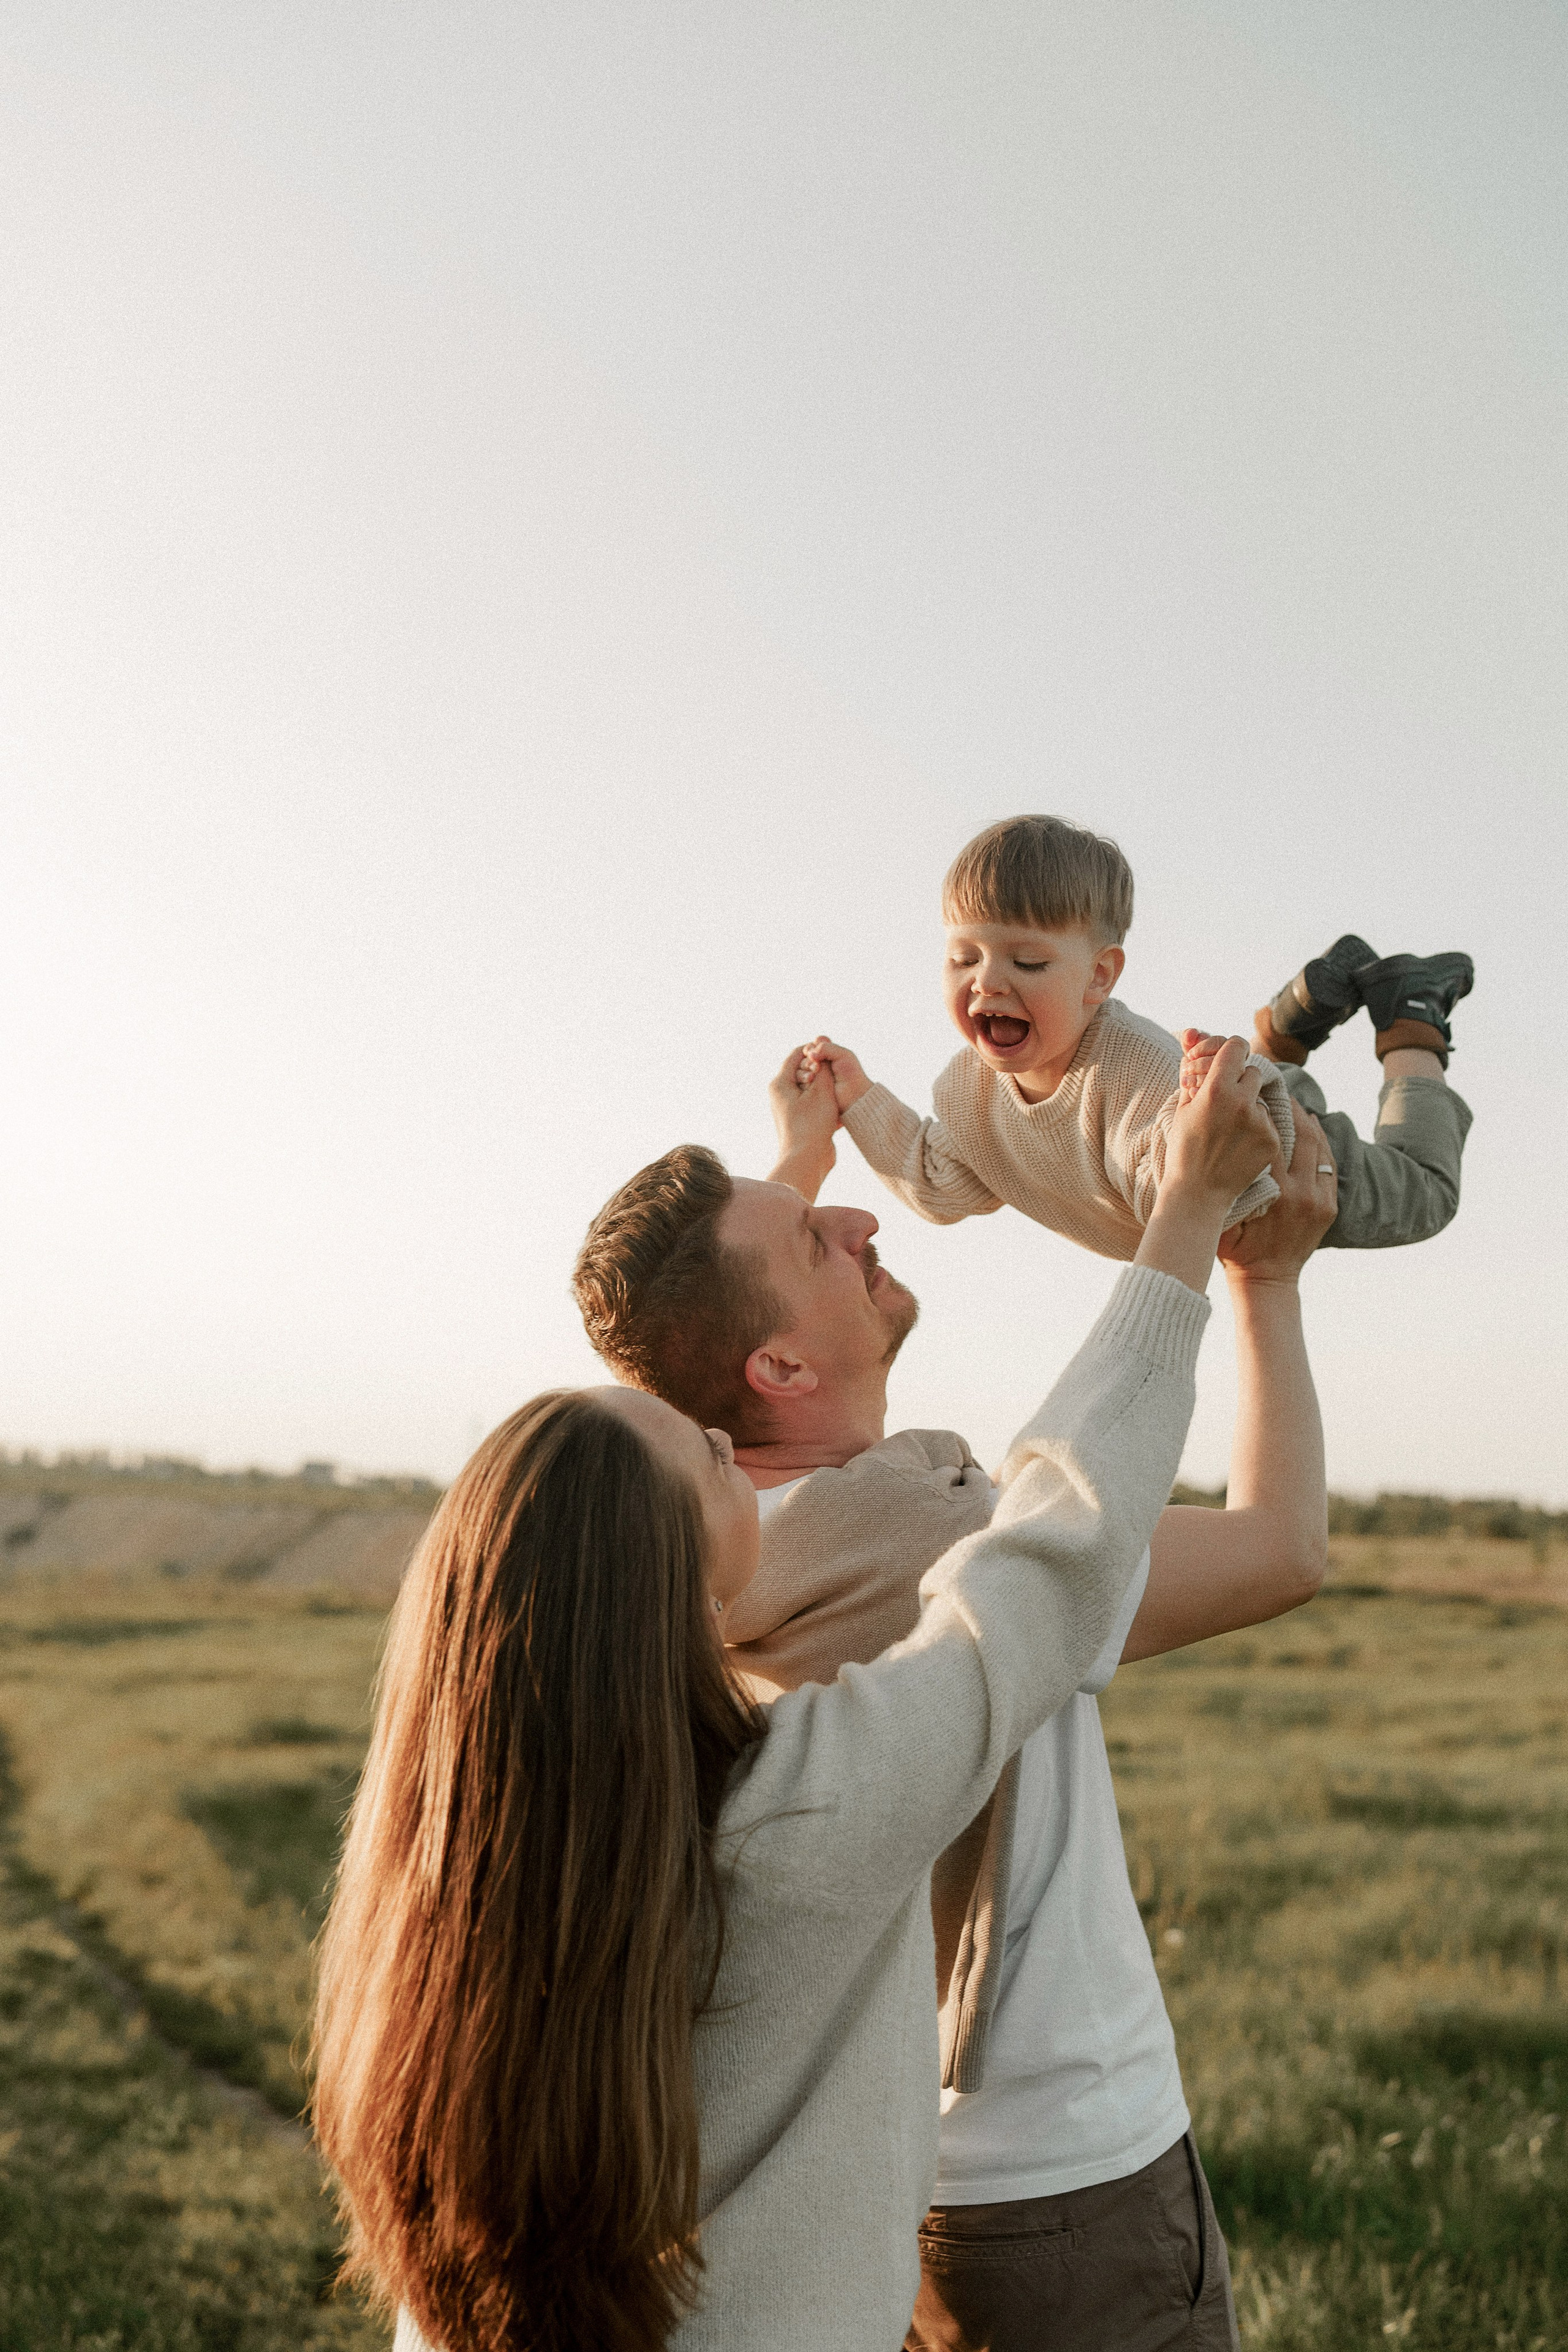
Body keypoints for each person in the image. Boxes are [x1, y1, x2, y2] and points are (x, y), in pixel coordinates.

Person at [315, 1044, 1279, 2352]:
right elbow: (1045, 1570)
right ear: (658, 1572)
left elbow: (644, 1452)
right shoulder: (791, 1817)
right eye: (711, 1457)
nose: (728, 1453)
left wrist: (791, 1182)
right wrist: (1182, 1218)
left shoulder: (453, 1892)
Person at [572, 1061, 1339, 2351]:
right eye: (820, 1239)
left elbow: (678, 1360)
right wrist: (1242, 1265)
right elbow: (1277, 1547)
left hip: (896, 2183)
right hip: (1064, 2182)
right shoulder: (916, 1537)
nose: (861, 1220)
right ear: (773, 1364)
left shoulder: (707, 1550)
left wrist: (791, 1169)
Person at [800, 811, 1472, 1259]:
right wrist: (857, 1098)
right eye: (963, 958)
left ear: (1099, 977)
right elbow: (940, 1180)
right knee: (1229, 1075)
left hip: (1285, 1151)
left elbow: (1197, 1195)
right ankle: (1286, 1023)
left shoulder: (1133, 1084)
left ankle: (1412, 1014)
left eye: (1026, 962)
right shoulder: (972, 1093)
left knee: (1425, 1193)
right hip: (1215, 1082)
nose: (987, 983)